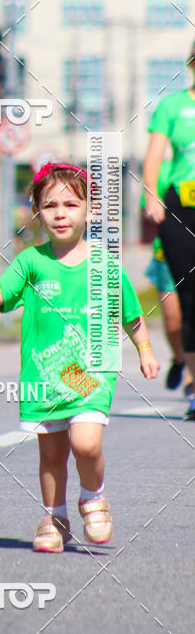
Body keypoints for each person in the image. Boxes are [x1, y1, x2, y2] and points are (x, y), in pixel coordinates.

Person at [0, 163, 159, 553]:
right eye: (50, 205)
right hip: (44, 375)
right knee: (51, 454)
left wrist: (145, 350)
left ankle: (94, 496)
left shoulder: (105, 265)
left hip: (92, 374)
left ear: (89, 210)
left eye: (71, 204)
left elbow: (131, 316)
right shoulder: (31, 261)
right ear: (37, 212)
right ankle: (55, 516)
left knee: (86, 443)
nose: (60, 213)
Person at [143, 39, 195, 419]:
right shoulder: (172, 106)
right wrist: (152, 197)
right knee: (185, 303)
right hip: (182, 210)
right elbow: (154, 156)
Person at [142, 161, 193, 393]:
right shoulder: (160, 170)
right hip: (166, 255)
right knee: (173, 320)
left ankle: (192, 378)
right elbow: (150, 212)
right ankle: (179, 358)